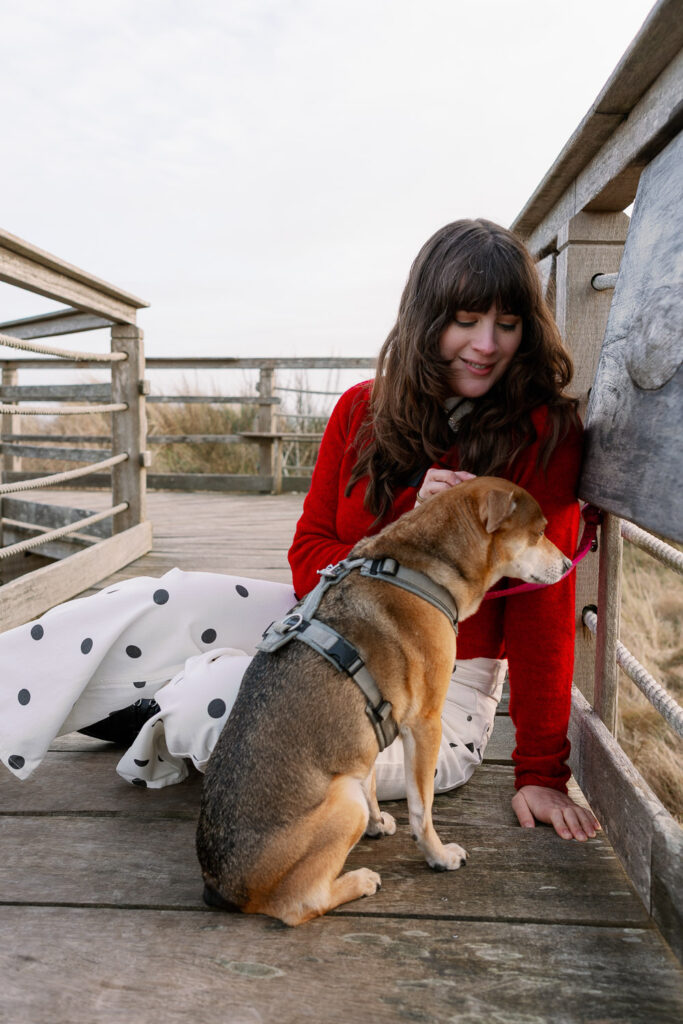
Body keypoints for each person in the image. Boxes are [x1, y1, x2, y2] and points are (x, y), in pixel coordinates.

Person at [0, 218, 599, 843]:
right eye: (466, 320)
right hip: (322, 621)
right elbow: (308, 554)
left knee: (213, 697)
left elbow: (543, 609)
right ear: (426, 318)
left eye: (507, 324)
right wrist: (407, 529)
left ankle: (164, 707)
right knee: (159, 599)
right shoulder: (362, 410)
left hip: (427, 694)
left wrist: (541, 772)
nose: (486, 345)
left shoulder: (545, 437)